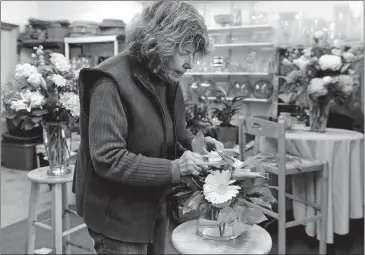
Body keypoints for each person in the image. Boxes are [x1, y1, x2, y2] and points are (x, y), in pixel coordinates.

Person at [72, 1, 223, 254]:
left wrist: (194, 142)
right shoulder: (109, 82)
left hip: (154, 204)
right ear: (158, 42)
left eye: (195, 54)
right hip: (118, 216)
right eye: (184, 53)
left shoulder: (166, 75)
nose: (191, 63)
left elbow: (174, 129)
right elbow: (109, 159)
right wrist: (175, 168)